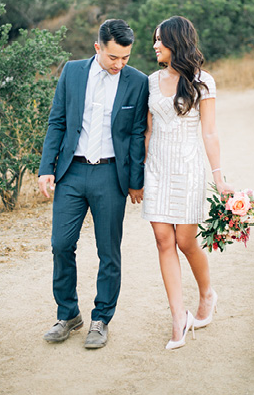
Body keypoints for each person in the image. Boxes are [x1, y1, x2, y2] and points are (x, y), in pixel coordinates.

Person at [38, 19, 148, 349]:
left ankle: (101, 319)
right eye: (114, 57)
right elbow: (57, 121)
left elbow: (137, 134)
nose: (120, 64)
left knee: (108, 252)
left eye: (126, 58)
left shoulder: (137, 82)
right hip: (72, 173)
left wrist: (135, 182)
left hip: (111, 176)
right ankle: (68, 314)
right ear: (97, 47)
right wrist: (47, 169)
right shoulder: (71, 72)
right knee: (61, 245)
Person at [140, 16, 229, 350]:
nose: (155, 45)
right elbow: (147, 131)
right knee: (164, 239)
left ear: (177, 42)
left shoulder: (203, 81)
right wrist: (140, 174)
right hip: (158, 169)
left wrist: (220, 178)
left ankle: (207, 293)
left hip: (189, 169)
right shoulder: (150, 81)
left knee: (186, 239)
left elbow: (210, 132)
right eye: (154, 39)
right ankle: (178, 317)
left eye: (160, 40)